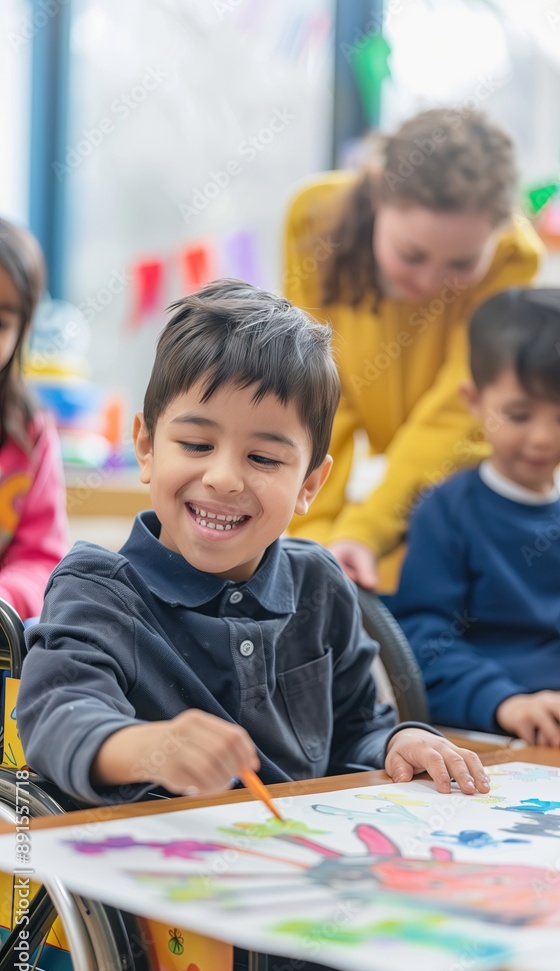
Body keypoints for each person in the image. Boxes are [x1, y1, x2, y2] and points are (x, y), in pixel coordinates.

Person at [17, 279, 489, 805]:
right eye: (196, 444)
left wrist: (403, 741)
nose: (223, 478)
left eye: (264, 458)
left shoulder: (320, 584)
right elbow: (55, 719)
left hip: (301, 867)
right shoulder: (98, 590)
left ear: (310, 484)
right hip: (147, 874)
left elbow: (357, 730)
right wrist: (149, 747)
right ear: (146, 447)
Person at [284, 107, 542, 591]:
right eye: (411, 254)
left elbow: (456, 411)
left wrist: (363, 532)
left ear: (501, 231)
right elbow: (314, 390)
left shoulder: (514, 258)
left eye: (462, 263)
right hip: (355, 491)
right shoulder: (313, 219)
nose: (429, 283)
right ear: (380, 190)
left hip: (455, 488)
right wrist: (313, 535)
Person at [392, 288, 560, 744]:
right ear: (473, 401)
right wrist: (503, 701)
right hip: (486, 733)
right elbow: (423, 641)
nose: (544, 439)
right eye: (519, 415)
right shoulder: (447, 511)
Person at [0, 218, 68, 619]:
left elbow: (43, 561)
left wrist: (4, 594)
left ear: (21, 331)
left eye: (0, 322)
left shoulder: (31, 432)